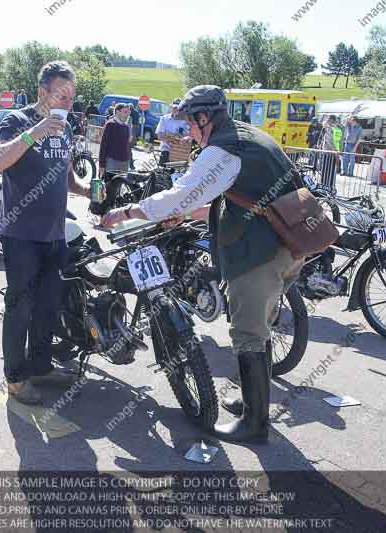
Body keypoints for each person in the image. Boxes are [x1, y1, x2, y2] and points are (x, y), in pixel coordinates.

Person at [101, 85, 305, 444]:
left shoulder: (222, 149)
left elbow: (182, 193)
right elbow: (238, 195)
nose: (187, 132)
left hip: (261, 252)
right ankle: (250, 402)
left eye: (190, 124)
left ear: (204, 117)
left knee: (247, 333)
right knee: (262, 326)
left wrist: (128, 211)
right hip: (290, 243)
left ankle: (254, 424)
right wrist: (185, 214)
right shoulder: (247, 135)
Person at [0, 61, 91, 405]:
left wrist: (89, 191)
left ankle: (41, 365)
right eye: (62, 94)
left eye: (72, 97)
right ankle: (15, 379)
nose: (68, 102)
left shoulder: (68, 128)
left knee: (48, 305)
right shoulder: (18, 121)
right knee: (21, 308)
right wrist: (37, 131)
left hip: (54, 234)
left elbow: (67, 176)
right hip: (21, 234)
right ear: (43, 91)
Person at [98, 103, 133, 179]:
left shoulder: (126, 126)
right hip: (112, 162)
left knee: (119, 188)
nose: (127, 115)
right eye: (125, 112)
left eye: (129, 113)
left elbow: (128, 145)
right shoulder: (110, 124)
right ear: (117, 112)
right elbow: (103, 145)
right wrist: (102, 165)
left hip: (124, 162)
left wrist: (129, 159)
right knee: (109, 188)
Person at [155, 98, 189, 165]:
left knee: (177, 174)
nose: (176, 110)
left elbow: (189, 136)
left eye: (179, 108)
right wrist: (175, 138)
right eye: (174, 107)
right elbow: (160, 135)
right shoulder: (164, 118)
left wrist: (169, 136)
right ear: (171, 107)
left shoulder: (186, 120)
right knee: (162, 172)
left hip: (180, 152)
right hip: (166, 150)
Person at [316, 115, 338, 189]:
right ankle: (327, 186)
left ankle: (325, 186)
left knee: (326, 170)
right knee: (329, 170)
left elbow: (328, 141)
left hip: (328, 152)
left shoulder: (329, 128)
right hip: (330, 152)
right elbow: (328, 141)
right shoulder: (330, 128)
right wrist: (335, 152)